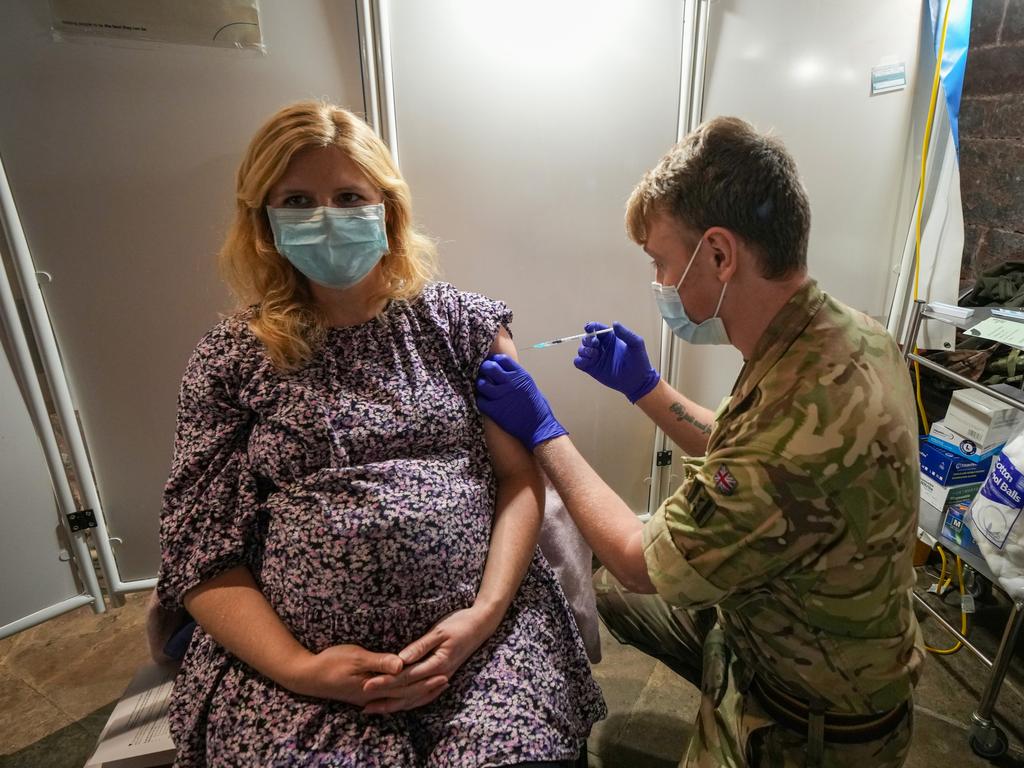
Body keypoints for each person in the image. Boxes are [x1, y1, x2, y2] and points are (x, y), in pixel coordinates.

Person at [156, 100, 604, 767]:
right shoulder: (231, 360)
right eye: (299, 200)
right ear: (263, 222)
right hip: (299, 675)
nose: (328, 217)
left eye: (348, 196)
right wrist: (300, 669)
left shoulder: (465, 327)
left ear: (387, 209)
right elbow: (200, 551)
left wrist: (480, 617)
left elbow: (520, 479)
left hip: (484, 642)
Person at [475, 116, 924, 768]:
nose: (658, 281)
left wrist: (543, 430)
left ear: (719, 254)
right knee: (612, 598)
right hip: (783, 629)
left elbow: (636, 559)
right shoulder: (839, 334)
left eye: (662, 261)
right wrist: (645, 386)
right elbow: (739, 439)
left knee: (621, 577)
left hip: (811, 724)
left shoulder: (797, 429)